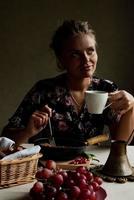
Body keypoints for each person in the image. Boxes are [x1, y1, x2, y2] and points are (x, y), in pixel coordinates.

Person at [2, 20, 134, 146]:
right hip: (51, 165)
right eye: (75, 54)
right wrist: (27, 132)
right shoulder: (43, 90)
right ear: (61, 60)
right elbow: (5, 139)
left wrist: (131, 107)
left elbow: (121, 144)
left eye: (90, 51)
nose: (86, 60)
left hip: (91, 164)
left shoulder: (106, 88)